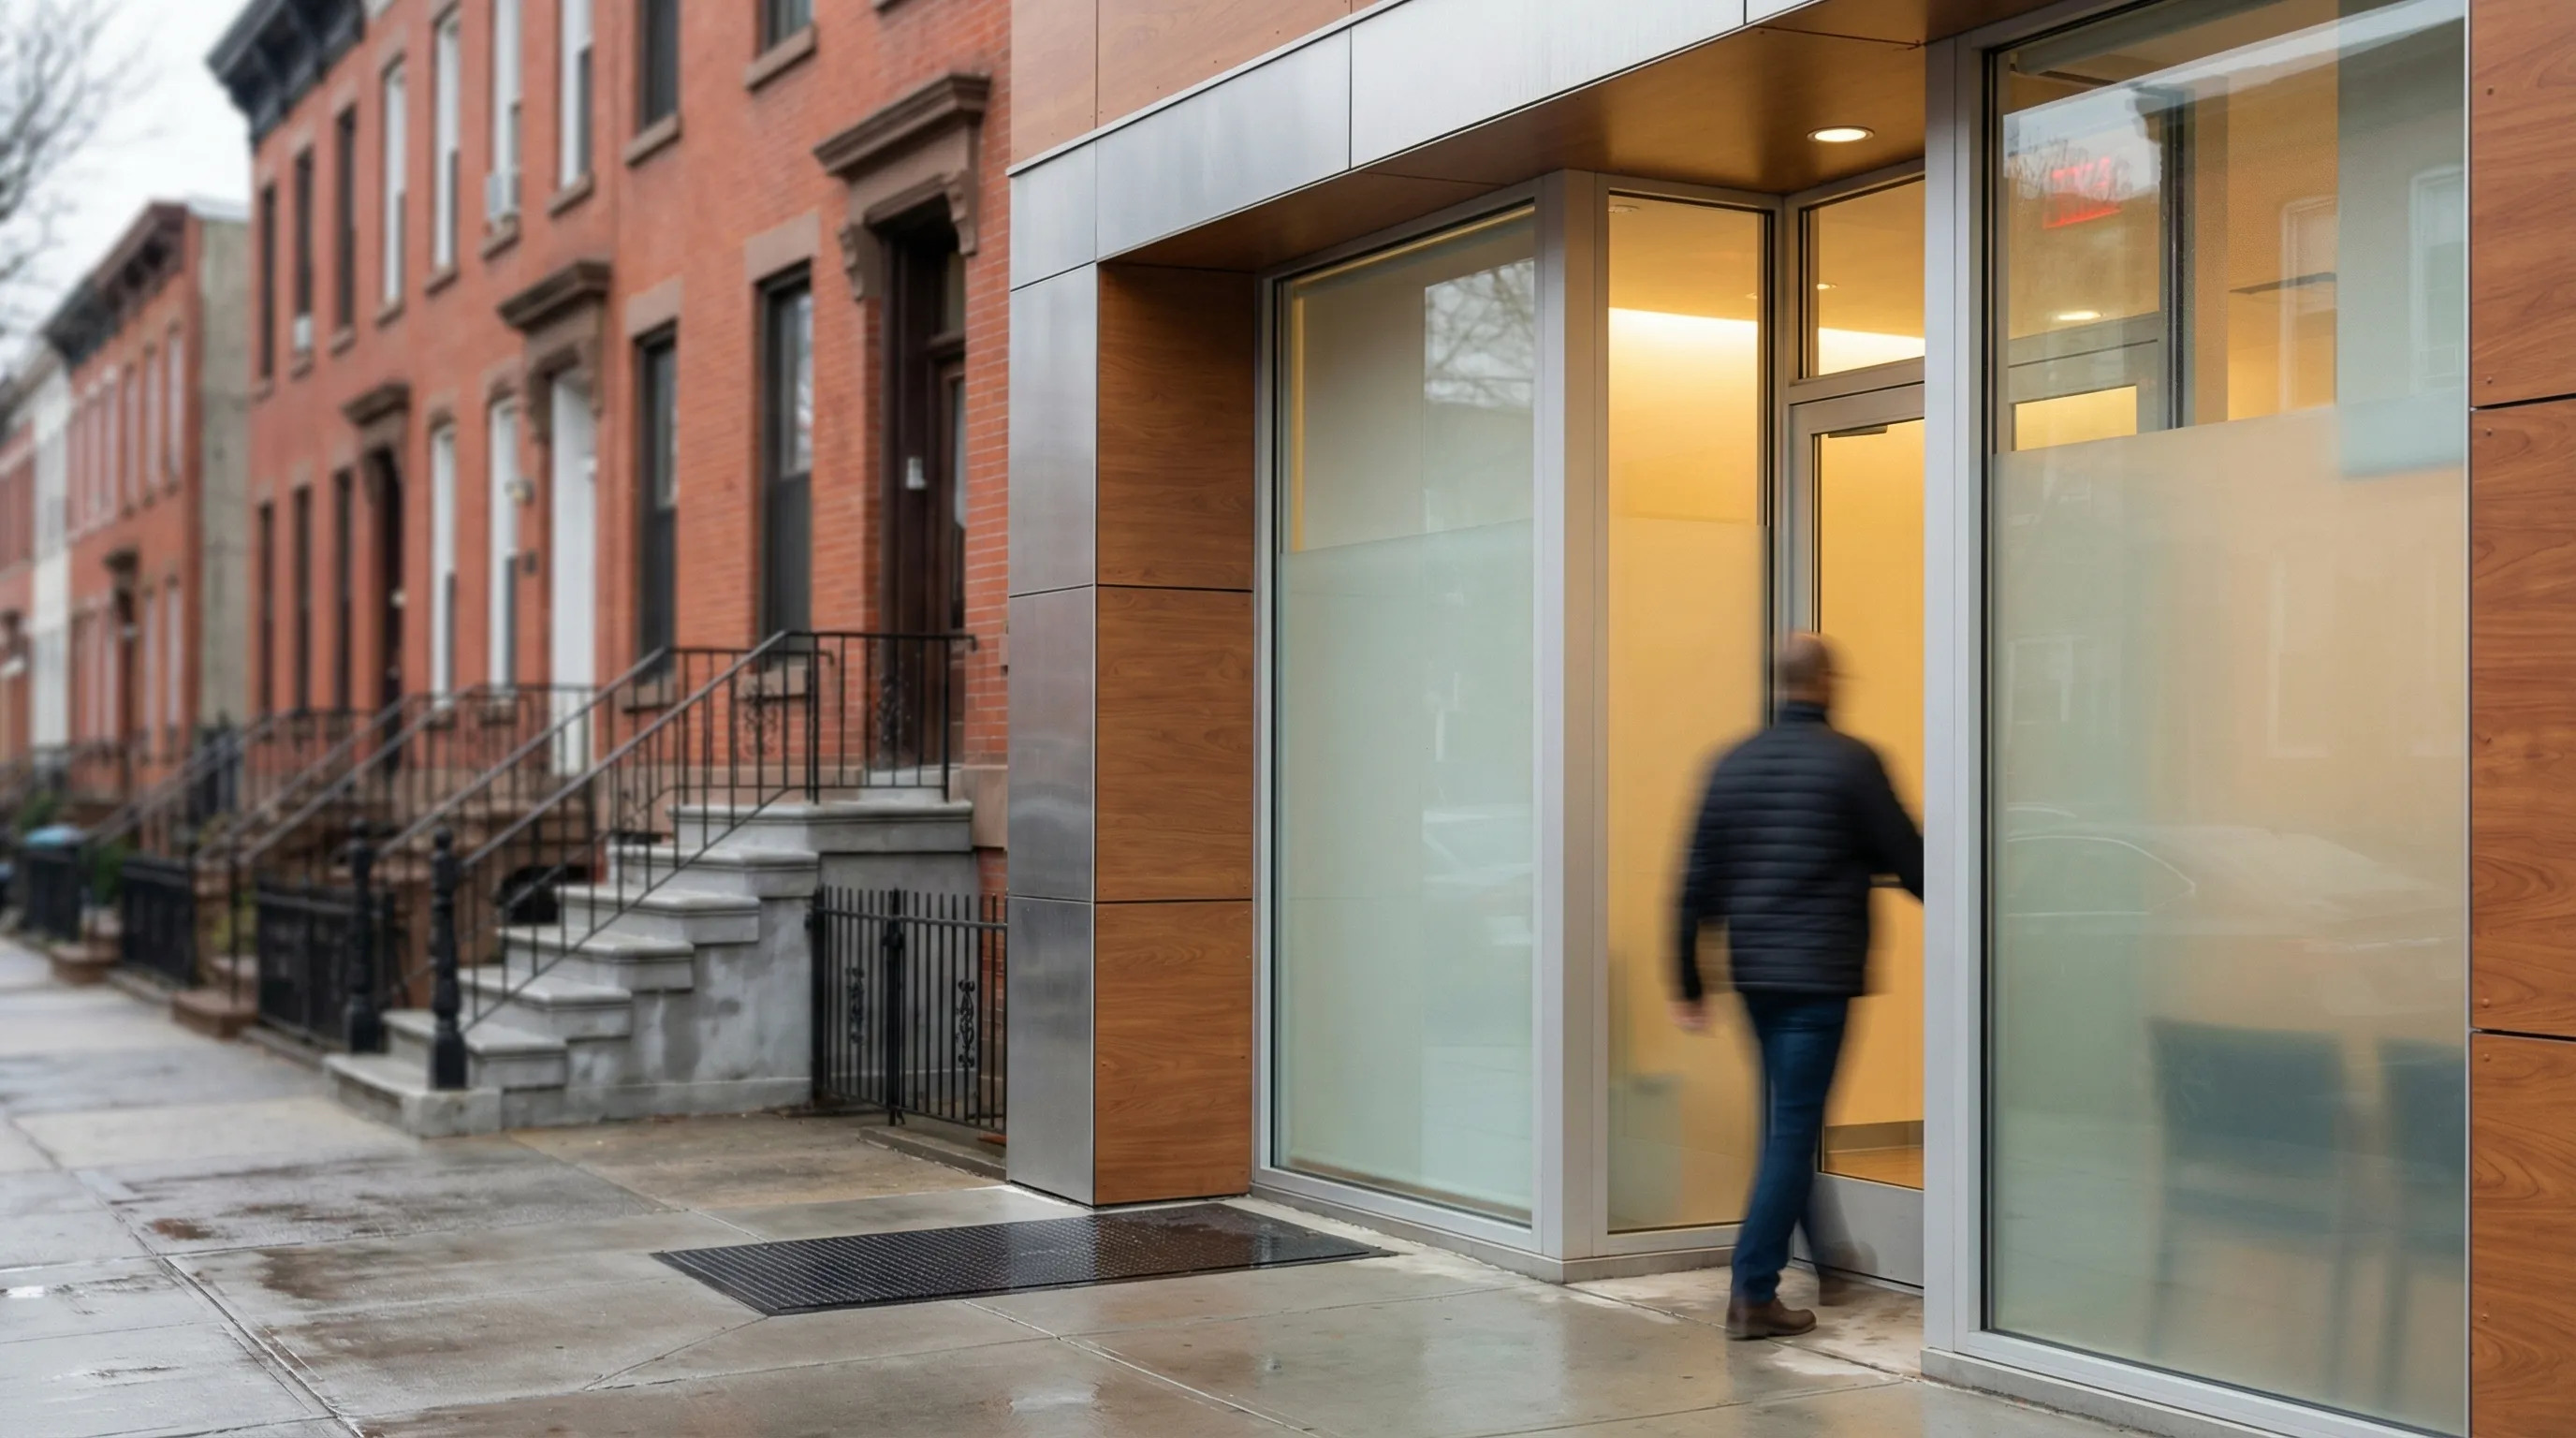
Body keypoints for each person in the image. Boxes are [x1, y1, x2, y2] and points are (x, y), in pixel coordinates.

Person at [1671, 631, 1924, 1339]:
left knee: (1789, 1118)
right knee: (1792, 1127)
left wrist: (1686, 977)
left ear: (1780, 684)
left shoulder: (1731, 764)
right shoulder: (1853, 763)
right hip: (1819, 975)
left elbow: (1694, 881)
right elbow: (1912, 861)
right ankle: (1752, 1291)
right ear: (1830, 682)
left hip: (1754, 972)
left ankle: (1832, 1259)